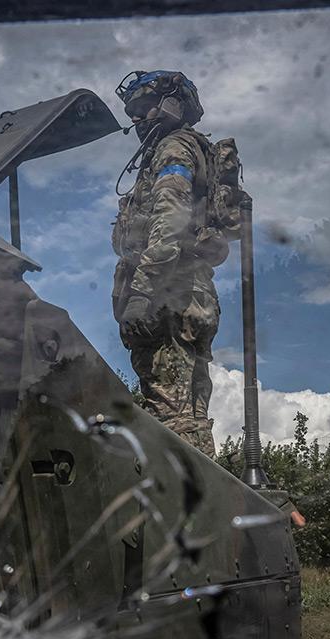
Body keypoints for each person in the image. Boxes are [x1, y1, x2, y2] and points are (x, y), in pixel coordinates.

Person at [111, 70, 228, 459]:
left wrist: (142, 291)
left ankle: (189, 514)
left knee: (171, 419)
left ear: (172, 106)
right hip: (193, 293)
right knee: (190, 416)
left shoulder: (173, 149)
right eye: (134, 113)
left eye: (144, 109)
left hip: (167, 295)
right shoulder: (196, 150)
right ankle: (214, 508)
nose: (138, 121)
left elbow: (170, 220)